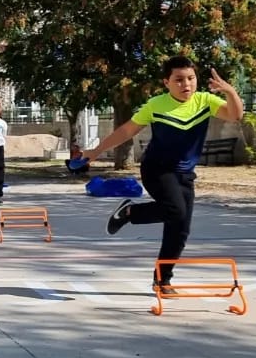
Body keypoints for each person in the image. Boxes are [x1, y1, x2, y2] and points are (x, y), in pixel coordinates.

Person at [80, 56, 244, 291]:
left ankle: (162, 280)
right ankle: (130, 212)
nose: (186, 84)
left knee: (180, 229)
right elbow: (127, 131)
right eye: (179, 80)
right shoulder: (156, 105)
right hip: (157, 169)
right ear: (166, 82)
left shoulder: (205, 101)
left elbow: (235, 115)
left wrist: (229, 91)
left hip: (185, 174)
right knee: (175, 210)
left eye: (191, 78)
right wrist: (96, 151)